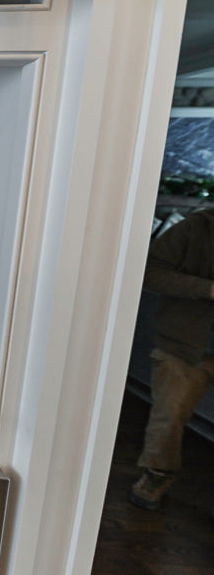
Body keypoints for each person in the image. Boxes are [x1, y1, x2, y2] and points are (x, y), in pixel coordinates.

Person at [129, 209, 214, 510]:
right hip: (185, 342)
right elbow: (150, 271)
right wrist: (206, 288)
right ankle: (156, 475)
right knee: (168, 417)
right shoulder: (197, 227)